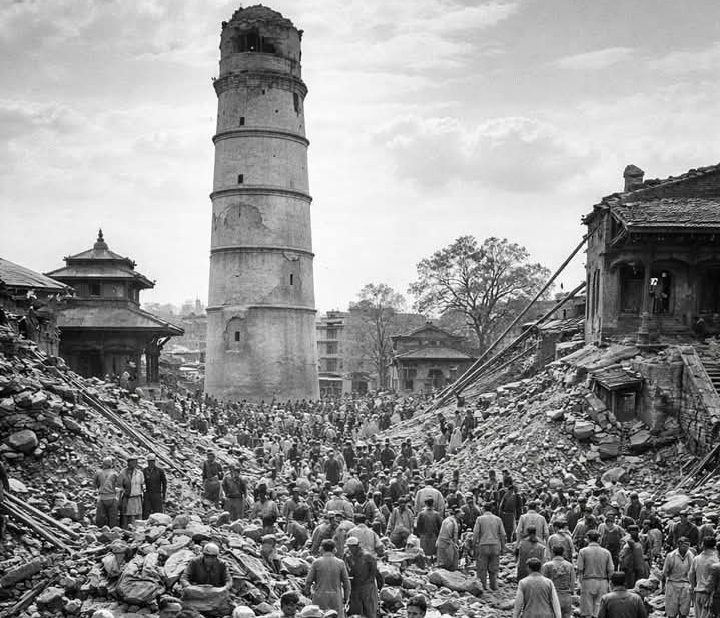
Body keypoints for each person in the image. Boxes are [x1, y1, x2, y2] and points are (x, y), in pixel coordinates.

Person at [304, 539, 350, 618]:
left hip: (320, 597)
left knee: (319, 615)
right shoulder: (340, 563)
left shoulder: (317, 562)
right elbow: (346, 582)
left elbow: (309, 580)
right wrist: (346, 597)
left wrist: (307, 592)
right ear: (334, 549)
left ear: (322, 548)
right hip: (336, 597)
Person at [576, 530, 613, 618]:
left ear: (588, 539)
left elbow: (580, 569)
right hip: (603, 582)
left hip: (588, 581)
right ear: (598, 539)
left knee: (587, 610)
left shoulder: (583, 551)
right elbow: (611, 570)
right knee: (599, 609)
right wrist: (609, 583)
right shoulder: (606, 552)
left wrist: (580, 582)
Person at [344, 536, 383, 618]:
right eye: (349, 547)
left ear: (357, 546)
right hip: (355, 586)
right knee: (356, 611)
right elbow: (349, 571)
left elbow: (374, 572)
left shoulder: (368, 556)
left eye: (352, 547)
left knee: (369, 610)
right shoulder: (349, 556)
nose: (350, 549)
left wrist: (369, 583)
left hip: (367, 586)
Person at [473, 501, 506, 590]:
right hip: (495, 545)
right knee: (494, 568)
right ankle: (493, 585)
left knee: (482, 568)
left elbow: (475, 533)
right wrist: (503, 547)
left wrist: (474, 545)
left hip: (483, 545)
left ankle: (483, 586)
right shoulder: (498, 519)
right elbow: (503, 534)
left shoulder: (480, 519)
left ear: (484, 509)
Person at [663, 537, 694, 618]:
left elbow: (693, 571)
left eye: (688, 545)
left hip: (686, 585)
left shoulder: (690, 555)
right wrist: (664, 586)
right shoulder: (671, 556)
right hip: (672, 584)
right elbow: (665, 572)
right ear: (679, 545)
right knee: (671, 612)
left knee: (684, 611)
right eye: (684, 545)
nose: (686, 547)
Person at [689, 537, 719, 618]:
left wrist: (693, 588)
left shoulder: (696, 559)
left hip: (698, 592)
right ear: (714, 547)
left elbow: (691, 575)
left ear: (703, 545)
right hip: (711, 594)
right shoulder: (717, 560)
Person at [542, 546, 575, 618]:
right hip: (566, 596)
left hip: (551, 597)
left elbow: (543, 584)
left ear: (552, 553)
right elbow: (572, 583)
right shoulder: (569, 565)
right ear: (563, 553)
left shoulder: (547, 566)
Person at [118, 455, 144, 528]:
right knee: (128, 516)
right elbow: (119, 485)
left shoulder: (139, 473)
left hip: (137, 497)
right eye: (133, 462)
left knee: (138, 515)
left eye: (136, 462)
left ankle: (138, 530)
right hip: (128, 498)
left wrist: (142, 495)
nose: (135, 464)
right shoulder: (123, 473)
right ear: (129, 463)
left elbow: (142, 484)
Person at [93, 456, 118, 528]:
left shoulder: (98, 473)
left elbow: (95, 484)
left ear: (103, 463)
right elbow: (118, 485)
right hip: (112, 497)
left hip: (102, 497)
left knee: (101, 518)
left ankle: (101, 531)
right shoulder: (114, 473)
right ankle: (113, 530)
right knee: (113, 518)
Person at [142, 453, 167, 518]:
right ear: (148, 462)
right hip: (147, 494)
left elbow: (164, 484)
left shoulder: (159, 471)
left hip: (157, 494)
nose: (151, 463)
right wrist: (143, 492)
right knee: (146, 511)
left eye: (153, 461)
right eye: (150, 461)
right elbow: (142, 482)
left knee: (158, 512)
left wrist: (163, 495)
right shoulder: (144, 471)